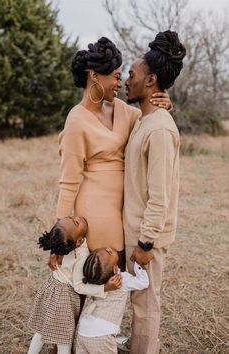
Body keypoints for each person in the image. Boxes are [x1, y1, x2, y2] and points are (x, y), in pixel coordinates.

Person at [51, 37, 172, 274]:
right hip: (94, 211)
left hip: (123, 211)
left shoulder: (123, 110)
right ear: (95, 75)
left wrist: (166, 104)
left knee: (116, 281)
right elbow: (68, 183)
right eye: (116, 76)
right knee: (98, 276)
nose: (121, 83)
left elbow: (151, 122)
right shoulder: (76, 120)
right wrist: (60, 238)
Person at [121, 30, 186, 354]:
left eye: (131, 74)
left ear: (151, 81)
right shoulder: (144, 120)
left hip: (146, 238)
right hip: (134, 231)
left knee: (145, 307)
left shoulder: (159, 128)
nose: (125, 80)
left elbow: (160, 195)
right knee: (137, 304)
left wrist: (145, 243)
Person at [27, 217, 121, 354]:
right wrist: (105, 288)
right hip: (62, 298)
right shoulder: (82, 256)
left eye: (72, 218)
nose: (77, 217)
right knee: (64, 339)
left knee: (42, 329)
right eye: (76, 222)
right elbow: (79, 287)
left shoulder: (65, 242)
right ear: (79, 241)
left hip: (51, 289)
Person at [75, 247, 149, 354]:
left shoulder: (91, 278)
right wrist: (138, 262)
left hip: (82, 330)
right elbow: (143, 282)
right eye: (108, 252)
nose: (109, 248)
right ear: (115, 269)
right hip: (102, 335)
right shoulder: (120, 279)